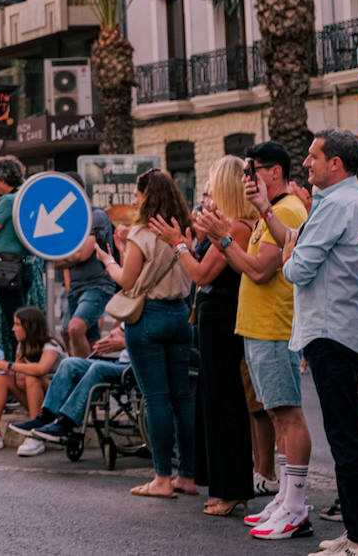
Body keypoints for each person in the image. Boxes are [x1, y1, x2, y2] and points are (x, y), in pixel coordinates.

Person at [269, 129, 358, 553]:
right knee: (350, 437)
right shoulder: (352, 200)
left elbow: (298, 270)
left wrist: (289, 255)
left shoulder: (337, 204)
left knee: (346, 439)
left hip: (331, 332)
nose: (307, 163)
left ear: (335, 163)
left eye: (314, 156)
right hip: (340, 329)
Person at [149, 156, 256, 517]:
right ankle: (220, 484)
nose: (206, 199)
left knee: (225, 403)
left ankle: (231, 488)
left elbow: (201, 275)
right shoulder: (223, 227)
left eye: (211, 191)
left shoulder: (238, 227)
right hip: (210, 318)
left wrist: (177, 242)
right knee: (211, 400)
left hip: (224, 318)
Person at [218, 141, 311, 537]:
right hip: (258, 329)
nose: (246, 182)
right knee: (276, 415)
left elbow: (258, 271)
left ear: (274, 173)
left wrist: (222, 240)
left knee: (288, 415)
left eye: (252, 173)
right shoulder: (267, 214)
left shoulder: (287, 209)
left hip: (274, 328)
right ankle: (286, 497)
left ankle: (295, 504)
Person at [94, 169, 197, 500]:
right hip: (181, 316)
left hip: (149, 317)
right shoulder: (183, 229)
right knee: (182, 398)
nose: (134, 200)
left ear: (145, 196)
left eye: (137, 195)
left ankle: (162, 478)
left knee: (156, 398)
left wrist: (109, 259)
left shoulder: (142, 232)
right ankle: (188, 476)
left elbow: (128, 280)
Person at [0, 306, 61, 453]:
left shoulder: (51, 345)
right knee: (3, 377)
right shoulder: (23, 345)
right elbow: (18, 375)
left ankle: (35, 434)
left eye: (18, 324)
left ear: (30, 327)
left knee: (33, 377)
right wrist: (15, 371)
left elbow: (41, 369)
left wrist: (11, 366)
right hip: (36, 400)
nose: (13, 328)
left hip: (56, 404)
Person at [15, 325, 128, 447]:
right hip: (119, 363)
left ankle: (66, 423)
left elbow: (151, 342)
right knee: (68, 363)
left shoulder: (151, 314)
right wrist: (110, 339)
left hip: (137, 367)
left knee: (98, 369)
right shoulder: (135, 310)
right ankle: (47, 417)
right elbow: (120, 329)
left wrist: (124, 343)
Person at [0, 157, 39, 361]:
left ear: (1, 179)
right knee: (22, 316)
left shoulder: (7, 201)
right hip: (25, 265)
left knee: (15, 321)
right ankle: (24, 360)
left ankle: (19, 362)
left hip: (7, 269)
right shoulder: (26, 197)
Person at [54, 210, 116, 358]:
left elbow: (82, 254)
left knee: (75, 328)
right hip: (76, 287)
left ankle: (83, 375)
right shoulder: (67, 220)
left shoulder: (95, 215)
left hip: (97, 284)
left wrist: (55, 261)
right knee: (92, 342)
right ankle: (97, 374)